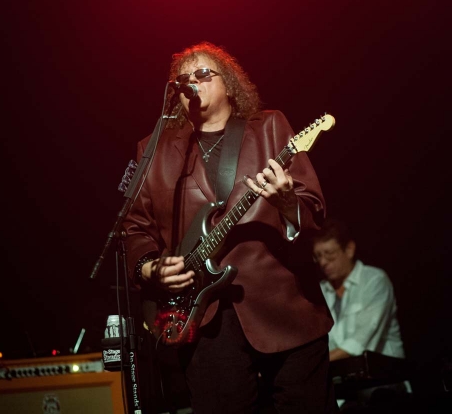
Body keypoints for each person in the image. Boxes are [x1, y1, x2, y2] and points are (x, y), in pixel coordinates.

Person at [124, 41, 337, 414]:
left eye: (203, 74)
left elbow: (314, 210)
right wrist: (150, 268)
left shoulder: (270, 127)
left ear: (229, 84)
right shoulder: (153, 151)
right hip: (202, 318)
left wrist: (287, 200)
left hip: (283, 307)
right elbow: (135, 228)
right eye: (183, 79)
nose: (192, 82)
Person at [311, 218, 405, 362]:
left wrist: (314, 364)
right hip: (341, 374)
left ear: (349, 249)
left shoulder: (374, 281)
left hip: (384, 374)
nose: (323, 262)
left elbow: (359, 343)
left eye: (329, 253)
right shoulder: (320, 291)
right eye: (318, 256)